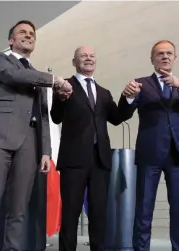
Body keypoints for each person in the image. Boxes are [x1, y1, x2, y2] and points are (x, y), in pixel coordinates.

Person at [0, 20, 72, 251]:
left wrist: (46, 151)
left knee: (18, 211)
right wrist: (53, 80)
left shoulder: (37, 76)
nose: (28, 36)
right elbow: (15, 76)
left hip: (29, 146)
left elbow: (44, 115)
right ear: (11, 40)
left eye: (32, 34)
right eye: (22, 33)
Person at [118, 40, 179, 251]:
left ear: (175, 58)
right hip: (150, 154)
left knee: (178, 211)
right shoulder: (140, 84)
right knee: (144, 210)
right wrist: (128, 96)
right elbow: (122, 113)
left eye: (169, 53)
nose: (165, 57)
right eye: (160, 54)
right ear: (152, 59)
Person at [50, 45, 125, 251]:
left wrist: (129, 98)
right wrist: (59, 97)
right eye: (83, 56)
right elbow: (56, 117)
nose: (88, 59)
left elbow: (117, 118)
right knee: (70, 215)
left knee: (99, 214)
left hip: (100, 160)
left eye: (92, 56)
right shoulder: (65, 86)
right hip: (73, 160)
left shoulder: (103, 92)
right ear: (74, 62)